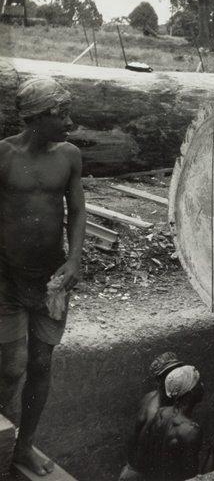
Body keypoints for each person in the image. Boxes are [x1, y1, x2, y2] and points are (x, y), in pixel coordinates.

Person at [0, 76, 86, 475]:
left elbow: (78, 210)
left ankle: (24, 446)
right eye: (62, 114)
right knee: (10, 367)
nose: (70, 122)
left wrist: (73, 260)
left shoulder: (68, 155)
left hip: (51, 282)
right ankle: (3, 443)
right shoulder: (4, 156)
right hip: (7, 283)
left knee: (40, 364)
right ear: (37, 117)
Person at [119, 352, 185, 481]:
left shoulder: (150, 396)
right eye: (170, 373)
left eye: (177, 371)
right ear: (159, 379)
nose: (175, 375)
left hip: (131, 470)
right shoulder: (163, 412)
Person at [135, 365, 204, 481]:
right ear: (190, 392)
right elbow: (190, 476)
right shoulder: (191, 431)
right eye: (199, 382)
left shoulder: (161, 413)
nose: (202, 385)